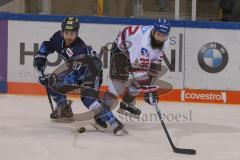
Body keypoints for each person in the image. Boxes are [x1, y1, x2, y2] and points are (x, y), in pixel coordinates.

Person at [33, 17, 127, 136]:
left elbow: (72, 75)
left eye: (72, 33)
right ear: (62, 32)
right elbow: (48, 45)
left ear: (77, 33)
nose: (69, 36)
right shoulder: (58, 37)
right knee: (54, 83)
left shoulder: (79, 49)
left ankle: (113, 121)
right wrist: (40, 57)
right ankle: (64, 109)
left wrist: (52, 79)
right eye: (66, 33)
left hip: (92, 71)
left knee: (88, 98)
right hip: (77, 69)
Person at [109, 18, 171, 118]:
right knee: (118, 84)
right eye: (158, 34)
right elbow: (138, 72)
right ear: (153, 31)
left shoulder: (165, 41)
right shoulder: (142, 41)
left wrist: (150, 88)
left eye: (163, 36)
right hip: (121, 49)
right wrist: (149, 91)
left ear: (166, 36)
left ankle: (126, 104)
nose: (160, 38)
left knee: (142, 82)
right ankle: (101, 114)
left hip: (135, 49)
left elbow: (155, 62)